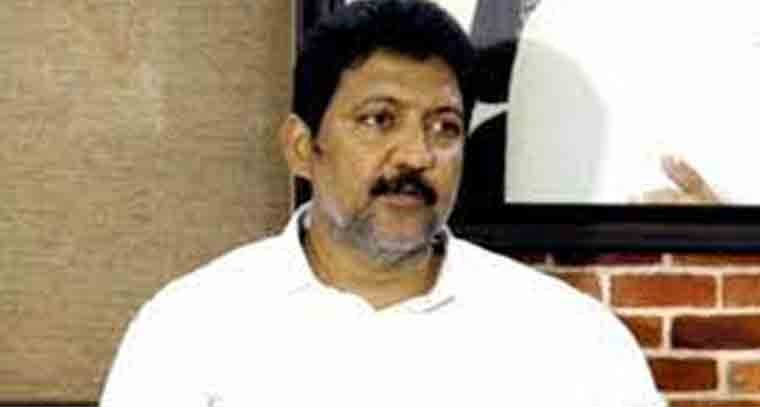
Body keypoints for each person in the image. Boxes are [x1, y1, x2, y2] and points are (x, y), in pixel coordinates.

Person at [99, 1, 666, 406]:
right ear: (302, 147)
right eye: (379, 120)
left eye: (444, 127)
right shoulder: (191, 328)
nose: (417, 155)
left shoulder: (570, 340)